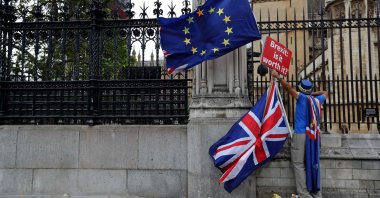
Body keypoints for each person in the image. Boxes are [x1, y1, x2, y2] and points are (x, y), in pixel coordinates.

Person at [271, 70, 328, 198]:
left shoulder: (302, 98)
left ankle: (304, 195)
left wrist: (278, 77)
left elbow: (288, 88)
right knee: (313, 163)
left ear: (301, 90)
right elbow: (325, 92)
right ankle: (317, 194)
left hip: (301, 135)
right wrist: (311, 94)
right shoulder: (317, 100)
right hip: (314, 136)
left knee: (298, 164)